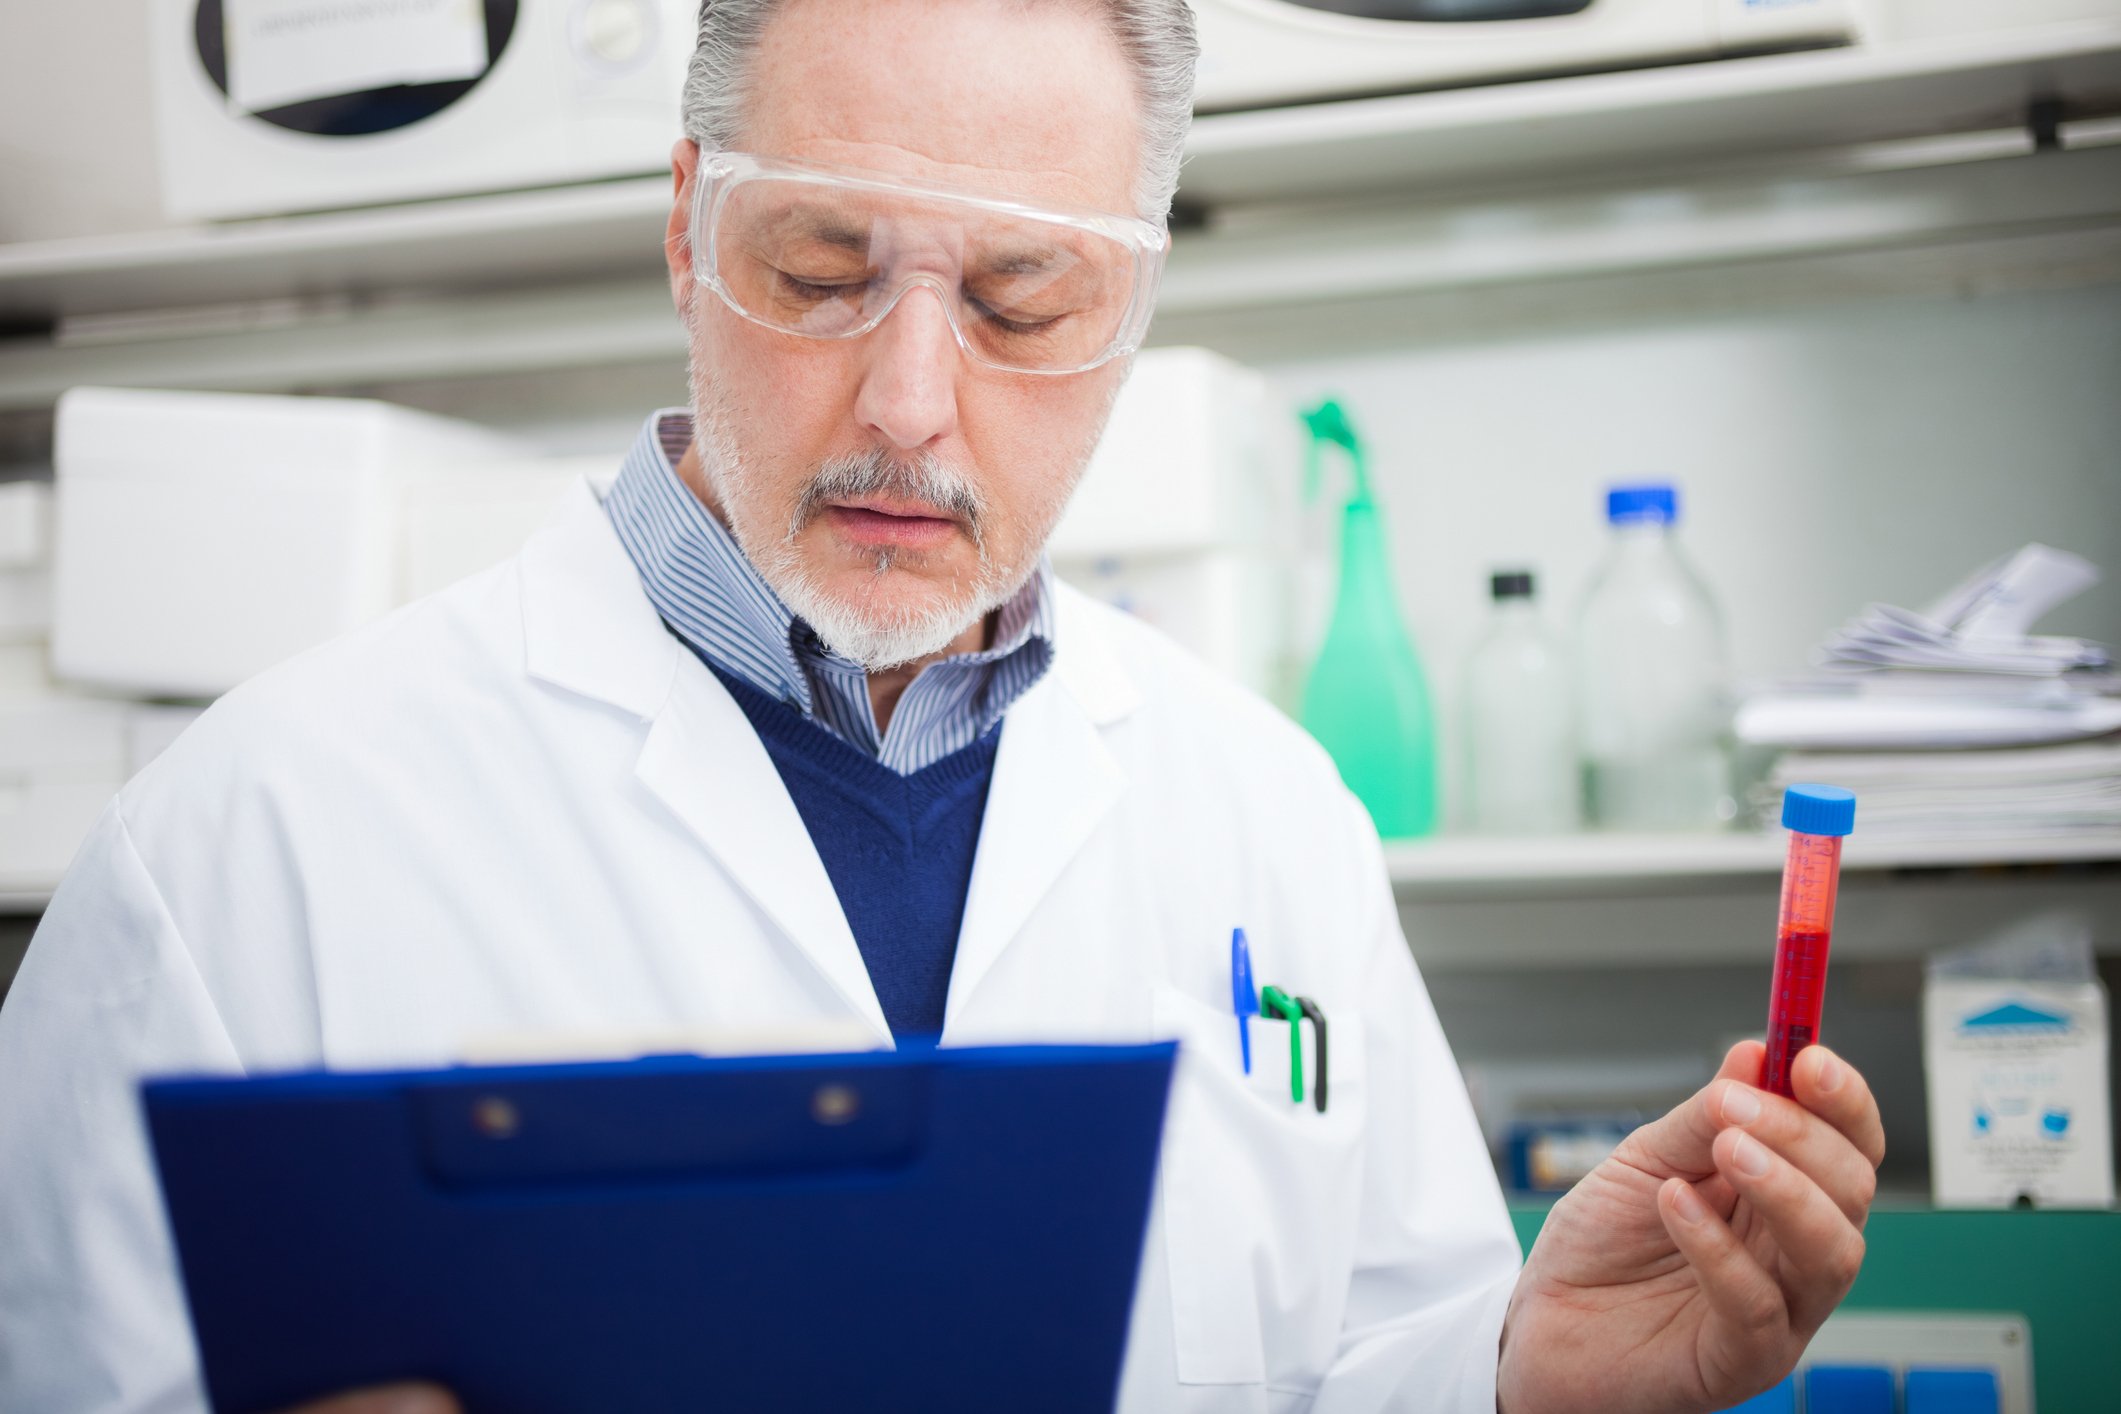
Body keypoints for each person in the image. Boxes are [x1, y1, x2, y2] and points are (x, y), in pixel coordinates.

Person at [0, 1, 1884, 1410]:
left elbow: (1342, 1358)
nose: (908, 397)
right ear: (685, 229)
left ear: (1129, 300)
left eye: (1017, 296)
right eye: (821, 269)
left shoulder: (1266, 810)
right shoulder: (243, 843)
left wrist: (1512, 1373)